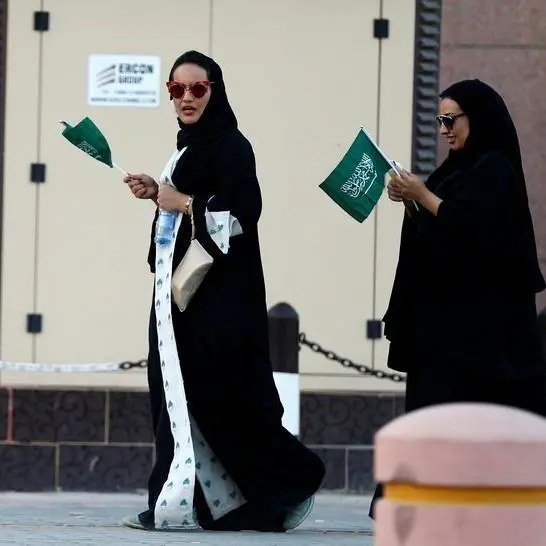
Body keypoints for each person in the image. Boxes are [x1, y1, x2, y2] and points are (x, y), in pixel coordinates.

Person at [120, 50, 325, 532]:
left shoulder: (231, 145)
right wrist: (158, 191)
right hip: (183, 300)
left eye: (197, 89)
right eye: (177, 90)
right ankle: (180, 503)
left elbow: (241, 215)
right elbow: (182, 207)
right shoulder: (188, 146)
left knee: (225, 398)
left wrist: (185, 201)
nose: (186, 98)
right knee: (178, 400)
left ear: (215, 91)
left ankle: (291, 482)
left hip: (219, 304)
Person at [368, 79, 546, 519]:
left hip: (480, 340)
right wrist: (413, 201)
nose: (444, 129)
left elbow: (478, 232)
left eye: (451, 119)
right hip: (444, 334)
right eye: (439, 120)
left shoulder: (495, 169)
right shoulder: (456, 169)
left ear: (477, 118)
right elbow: (441, 233)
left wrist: (422, 196)